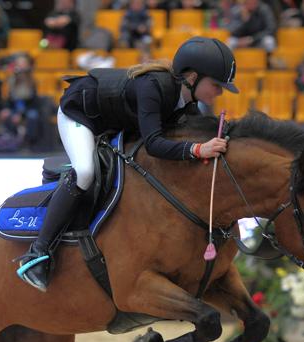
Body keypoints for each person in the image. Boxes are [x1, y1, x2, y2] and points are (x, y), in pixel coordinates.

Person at [16, 36, 237, 292]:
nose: (219, 92)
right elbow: (154, 144)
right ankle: (38, 253)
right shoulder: (154, 87)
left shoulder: (186, 101)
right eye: (216, 85)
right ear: (192, 77)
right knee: (85, 172)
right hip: (80, 115)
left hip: (113, 122)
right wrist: (199, 149)